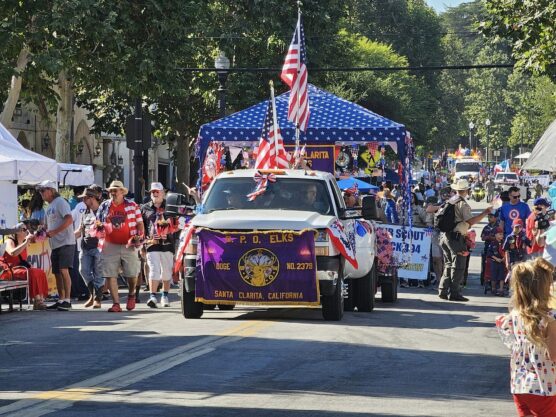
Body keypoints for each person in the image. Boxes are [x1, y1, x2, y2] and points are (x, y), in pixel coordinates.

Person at [496, 258, 556, 417]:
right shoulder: (550, 319)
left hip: (520, 385)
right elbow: (553, 354)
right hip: (546, 386)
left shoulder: (514, 317)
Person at [438, 179, 492, 302]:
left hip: (445, 236)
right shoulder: (462, 204)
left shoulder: (450, 201)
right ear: (466, 190)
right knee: (459, 266)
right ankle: (454, 293)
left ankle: (443, 290)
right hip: (456, 238)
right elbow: (470, 221)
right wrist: (485, 213)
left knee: (448, 264)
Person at [96, 180, 145, 312]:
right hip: (109, 244)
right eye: (111, 190)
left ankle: (131, 294)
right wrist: (98, 229)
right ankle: (116, 303)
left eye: (115, 190)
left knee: (132, 273)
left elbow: (140, 223)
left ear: (122, 192)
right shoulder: (104, 206)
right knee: (110, 274)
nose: (112, 193)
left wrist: (139, 237)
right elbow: (98, 223)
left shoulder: (132, 205)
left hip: (129, 243)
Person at [37, 180, 76, 311]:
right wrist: (41, 231)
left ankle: (68, 300)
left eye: (43, 190)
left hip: (65, 241)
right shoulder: (49, 206)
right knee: (57, 273)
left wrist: (54, 232)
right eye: (40, 191)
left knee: (64, 270)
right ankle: (61, 299)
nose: (41, 193)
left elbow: (69, 219)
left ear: (51, 190)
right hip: (55, 244)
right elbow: (49, 226)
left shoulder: (60, 202)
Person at [141, 182, 176, 309]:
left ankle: (165, 295)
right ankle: (152, 296)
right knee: (154, 270)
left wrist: (169, 230)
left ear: (163, 193)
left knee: (166, 272)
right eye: (152, 192)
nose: (154, 194)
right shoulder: (145, 208)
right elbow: (142, 227)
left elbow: (177, 225)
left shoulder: (170, 206)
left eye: (157, 192)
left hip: (167, 244)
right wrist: (144, 243)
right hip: (152, 244)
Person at [1, 223, 49, 310]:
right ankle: (37, 301)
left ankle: (40, 300)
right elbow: (13, 253)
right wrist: (26, 242)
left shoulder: (24, 242)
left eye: (26, 229)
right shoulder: (9, 241)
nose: (26, 232)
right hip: (9, 270)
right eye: (23, 230)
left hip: (20, 268)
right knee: (32, 272)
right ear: (16, 232)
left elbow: (39, 237)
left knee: (40, 272)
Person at [74, 185, 104, 309]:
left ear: (92, 198)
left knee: (98, 273)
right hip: (85, 247)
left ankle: (97, 298)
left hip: (99, 246)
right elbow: (80, 230)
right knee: (83, 270)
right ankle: (92, 294)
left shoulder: (103, 211)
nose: (83, 201)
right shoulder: (85, 212)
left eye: (85, 198)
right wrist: (68, 237)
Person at [481, 212, 499, 285]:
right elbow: (482, 237)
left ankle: (495, 281)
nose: (489, 218)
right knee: (485, 264)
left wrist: (492, 238)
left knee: (496, 265)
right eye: (488, 217)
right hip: (487, 248)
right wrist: (488, 237)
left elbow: (500, 237)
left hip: (496, 249)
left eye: (491, 217)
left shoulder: (498, 227)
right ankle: (484, 280)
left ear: (495, 218)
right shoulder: (486, 227)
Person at [486, 228, 506, 296]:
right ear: (495, 235)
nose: (501, 236)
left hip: (502, 261)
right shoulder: (492, 243)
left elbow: (507, 251)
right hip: (494, 261)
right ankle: (493, 288)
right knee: (493, 276)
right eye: (500, 234)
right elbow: (489, 253)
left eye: (502, 234)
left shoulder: (504, 243)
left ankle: (501, 289)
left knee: (501, 276)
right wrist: (496, 259)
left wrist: (504, 258)